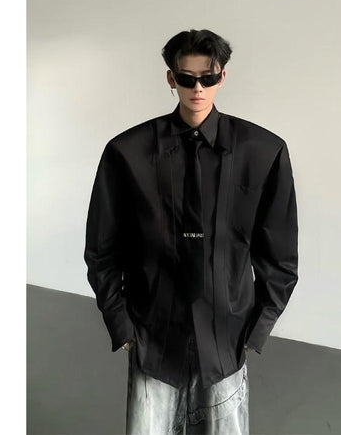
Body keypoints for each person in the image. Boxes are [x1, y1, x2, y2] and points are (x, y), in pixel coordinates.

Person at [84, 28, 298, 435]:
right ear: (171, 78)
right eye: (186, 78)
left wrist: (257, 329)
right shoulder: (127, 153)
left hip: (226, 341)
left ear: (222, 77)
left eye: (208, 78)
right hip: (152, 339)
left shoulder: (263, 151)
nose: (198, 88)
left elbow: (280, 255)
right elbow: (101, 249)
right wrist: (121, 324)